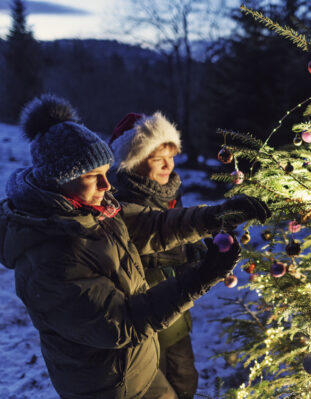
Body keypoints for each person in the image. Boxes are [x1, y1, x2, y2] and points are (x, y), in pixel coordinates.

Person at [0, 94, 271, 399]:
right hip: (106, 386)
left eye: (106, 173)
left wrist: (217, 216)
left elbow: (154, 226)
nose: (107, 186)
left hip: (140, 369)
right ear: (57, 181)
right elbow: (121, 323)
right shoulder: (51, 256)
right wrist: (201, 277)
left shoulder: (93, 209)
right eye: (92, 176)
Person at [107, 111, 200, 398]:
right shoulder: (121, 200)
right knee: (152, 385)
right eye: (157, 158)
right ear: (133, 161)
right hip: (145, 313)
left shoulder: (169, 193)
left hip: (176, 311)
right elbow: (142, 244)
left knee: (185, 377)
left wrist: (198, 251)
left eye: (170, 155)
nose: (167, 164)